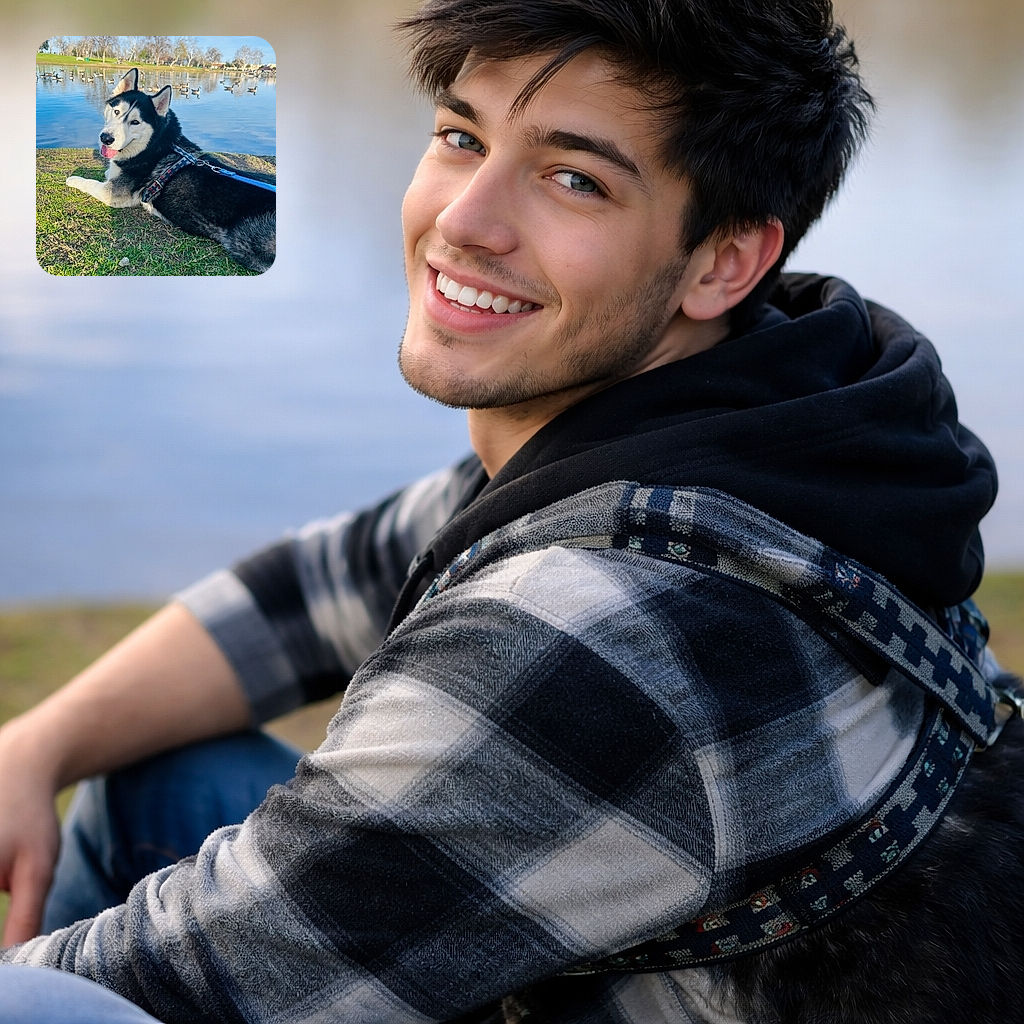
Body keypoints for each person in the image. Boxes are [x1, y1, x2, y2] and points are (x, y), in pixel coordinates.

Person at [1, 0, 1020, 1021]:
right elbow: (325, 584)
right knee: (151, 779)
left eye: (575, 179)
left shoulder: (610, 622)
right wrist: (34, 745)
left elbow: (193, 975)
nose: (463, 221)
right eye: (462, 137)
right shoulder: (769, 430)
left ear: (724, 261)